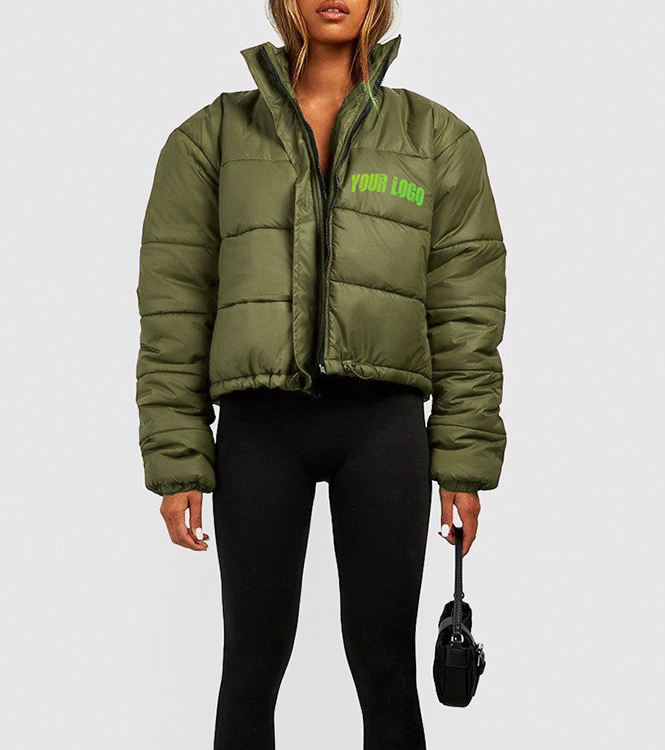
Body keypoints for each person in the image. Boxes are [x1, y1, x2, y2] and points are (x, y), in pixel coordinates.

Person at [135, 1, 507, 747]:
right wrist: (178, 461)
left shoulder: (437, 141)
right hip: (259, 430)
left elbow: (467, 315)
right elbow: (175, 307)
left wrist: (462, 465)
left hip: (384, 430)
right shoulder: (210, 139)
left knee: (386, 669)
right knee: (250, 667)